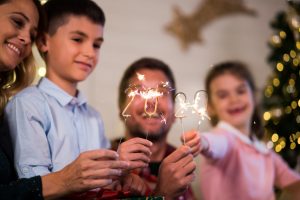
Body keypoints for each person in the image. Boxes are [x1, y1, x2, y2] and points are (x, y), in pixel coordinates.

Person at [4, 0, 151, 198]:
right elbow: (32, 183)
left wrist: (120, 175)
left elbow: (101, 186)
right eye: (77, 39)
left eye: (96, 45)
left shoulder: (93, 117)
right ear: (44, 42)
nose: (90, 53)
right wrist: (112, 161)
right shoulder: (27, 105)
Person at [184, 61, 300, 200]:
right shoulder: (224, 138)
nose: (234, 99)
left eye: (241, 91)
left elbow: (293, 183)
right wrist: (201, 141)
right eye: (223, 95)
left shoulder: (263, 151)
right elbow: (215, 144)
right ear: (211, 107)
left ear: (254, 96)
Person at [111, 57, 196, 200]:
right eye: (139, 92)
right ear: (121, 109)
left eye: (162, 92)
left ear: (175, 112)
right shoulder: (105, 168)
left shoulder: (184, 165)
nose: (151, 102)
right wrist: (163, 194)